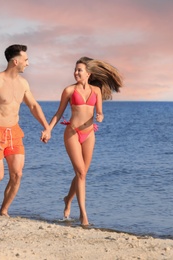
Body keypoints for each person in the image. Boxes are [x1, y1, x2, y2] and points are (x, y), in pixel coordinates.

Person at [0, 44, 51, 217]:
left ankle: (4, 210)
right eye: (25, 60)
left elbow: (33, 106)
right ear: (15, 61)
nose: (27, 63)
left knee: (17, 174)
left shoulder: (23, 83)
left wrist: (47, 127)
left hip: (14, 131)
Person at [46, 57, 123, 225]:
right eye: (75, 70)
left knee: (82, 174)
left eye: (79, 70)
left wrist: (100, 116)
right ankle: (84, 216)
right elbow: (58, 113)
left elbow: (100, 112)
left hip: (89, 134)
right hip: (72, 133)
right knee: (80, 173)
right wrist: (48, 129)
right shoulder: (69, 91)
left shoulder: (96, 91)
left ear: (88, 74)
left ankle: (68, 199)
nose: (76, 73)